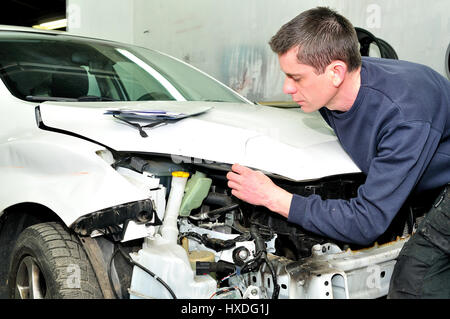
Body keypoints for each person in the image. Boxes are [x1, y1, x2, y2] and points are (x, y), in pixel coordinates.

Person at [226, 6, 450, 298]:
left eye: (296, 77)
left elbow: (367, 222)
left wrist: (273, 197)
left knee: (415, 280)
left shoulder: (403, 115)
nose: (286, 88)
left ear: (336, 72)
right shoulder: (331, 92)